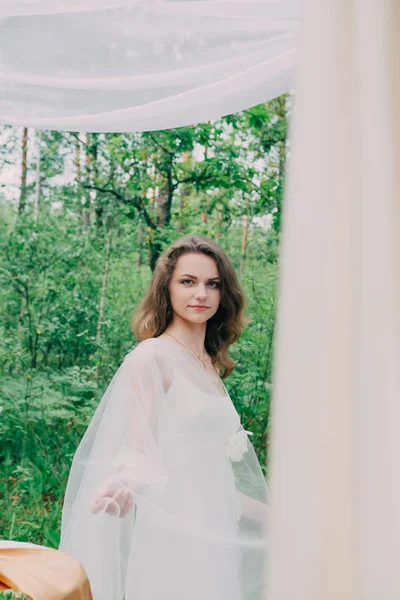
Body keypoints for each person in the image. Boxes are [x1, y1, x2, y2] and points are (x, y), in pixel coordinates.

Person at [59, 234, 269, 600]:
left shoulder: (209, 367)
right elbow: (136, 448)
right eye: (188, 282)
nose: (201, 294)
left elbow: (207, 471)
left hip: (217, 533)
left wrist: (275, 516)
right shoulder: (152, 358)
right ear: (166, 289)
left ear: (224, 295)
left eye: (212, 284)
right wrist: (123, 481)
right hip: (175, 532)